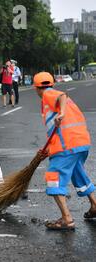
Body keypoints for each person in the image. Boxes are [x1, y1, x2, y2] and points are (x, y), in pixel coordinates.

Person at [33, 72, 96, 231]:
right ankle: (95, 205)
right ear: (52, 82)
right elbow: (56, 128)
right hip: (80, 143)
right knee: (78, 173)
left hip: (66, 146)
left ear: (36, 88)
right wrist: (47, 149)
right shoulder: (59, 102)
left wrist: (61, 113)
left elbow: (61, 95)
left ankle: (66, 219)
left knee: (53, 177)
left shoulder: (48, 94)